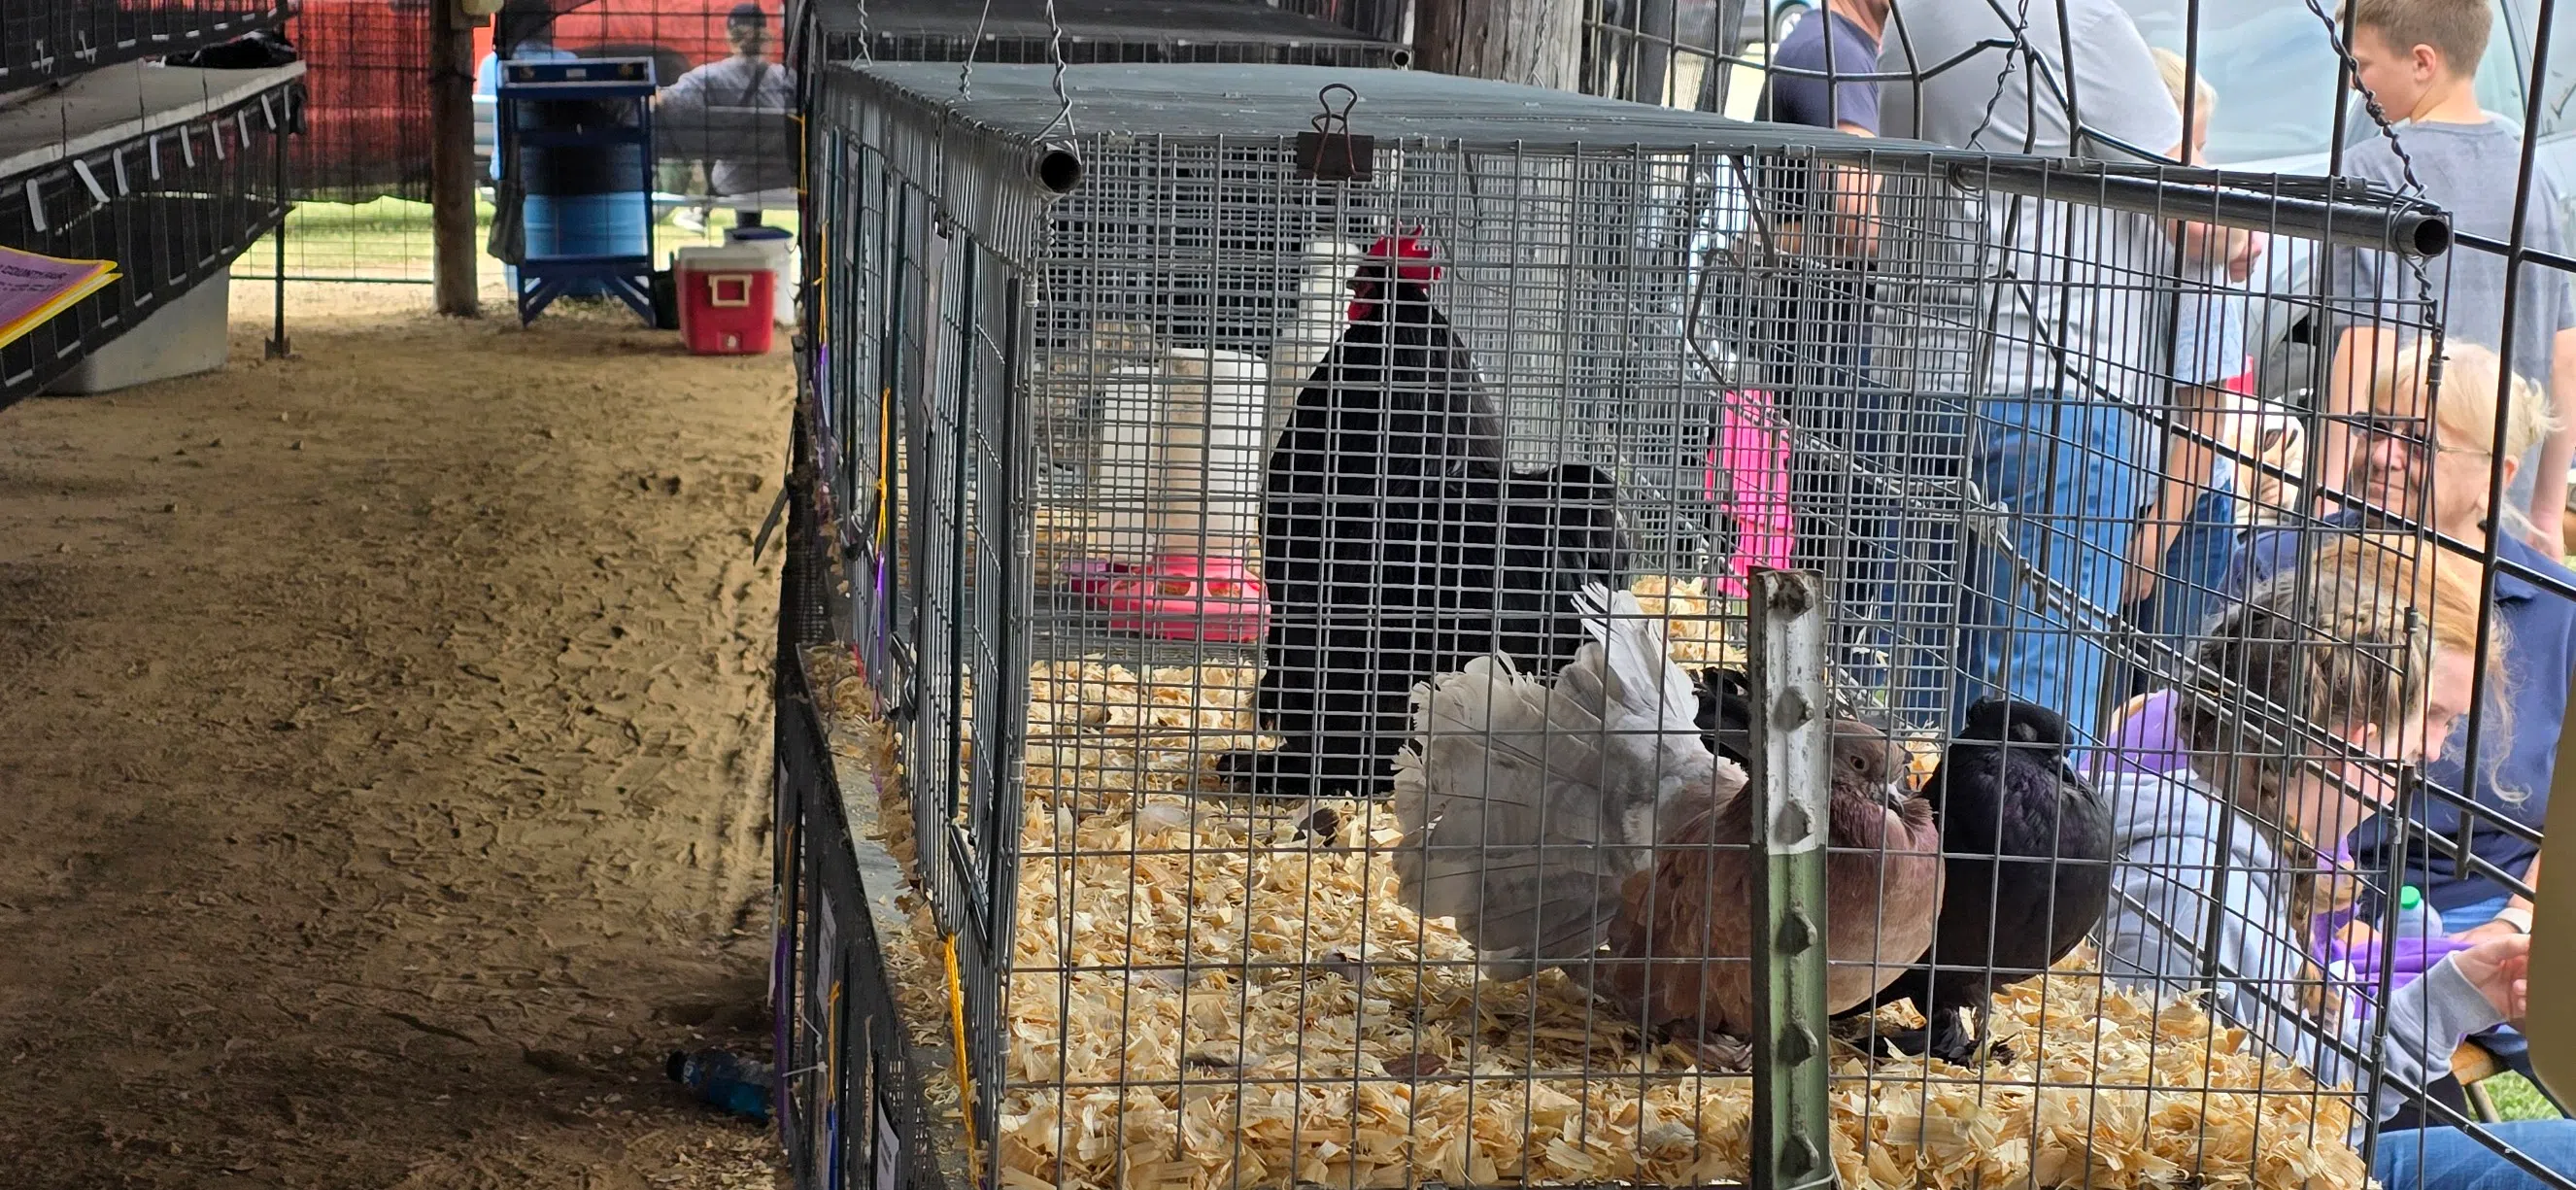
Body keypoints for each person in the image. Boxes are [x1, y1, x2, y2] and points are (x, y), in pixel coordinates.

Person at [2096, 537, 2576, 1189]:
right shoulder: (2199, 878)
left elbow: (2294, 1102)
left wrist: (2458, 993)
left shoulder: (2243, 837)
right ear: (2359, 736)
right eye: (2428, 719)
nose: (2433, 752)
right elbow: (2260, 1141)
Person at [2229, 339, 2572, 1079]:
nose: (2382, 455)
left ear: (2496, 477)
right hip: (2296, 907)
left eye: (2417, 440)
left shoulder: (2559, 610)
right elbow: (2214, 749)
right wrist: (2311, 904)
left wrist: (2518, 921)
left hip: (2488, 919)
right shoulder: (2279, 567)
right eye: (2374, 427)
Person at [1876, 0, 2182, 742]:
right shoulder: (2077, 23)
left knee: (1927, 702)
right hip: (2055, 399)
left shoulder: (1911, 14)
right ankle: (1998, 859)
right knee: (2034, 720)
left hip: (1928, 384)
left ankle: (1916, 858)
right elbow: (2197, 214)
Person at [2327, 0, 2576, 552]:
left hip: (2396, 502)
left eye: (2362, 65)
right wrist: (2545, 511)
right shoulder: (2530, 174)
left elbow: (2367, 341)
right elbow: (2565, 357)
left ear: (2422, 61)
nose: (2353, 85)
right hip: (2496, 506)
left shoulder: (2374, 169)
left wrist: (2325, 495)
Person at [2124, 48, 2266, 680]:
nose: (2204, 170)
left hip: (2183, 505)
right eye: (2188, 147)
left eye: (2206, 146)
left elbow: (2206, 410)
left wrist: (2159, 534)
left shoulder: (2205, 243)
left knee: (2156, 689)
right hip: (2119, 495)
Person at [656, 4, 797, 229]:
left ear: (730, 36)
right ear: (766, 34)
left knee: (734, 167)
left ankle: (735, 230)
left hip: (735, 182)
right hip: (785, 180)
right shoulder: (785, 78)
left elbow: (668, 101)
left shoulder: (710, 76)